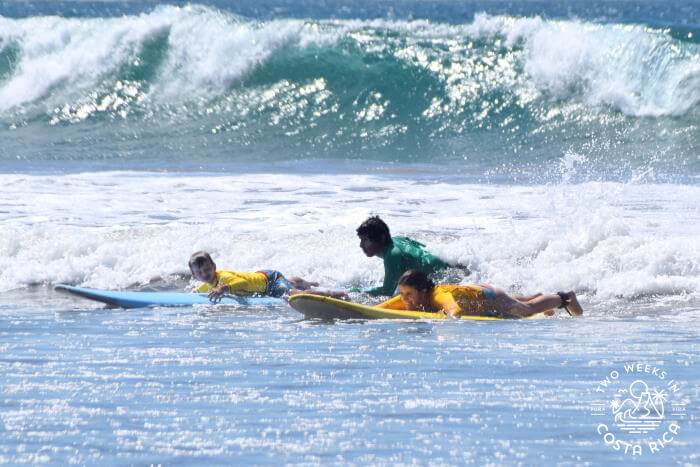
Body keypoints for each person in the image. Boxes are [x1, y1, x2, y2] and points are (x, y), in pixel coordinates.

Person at [377, 269, 583, 319]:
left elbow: (454, 311)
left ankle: (563, 297)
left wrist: (442, 321)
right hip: (478, 290)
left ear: (422, 292)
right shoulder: (411, 298)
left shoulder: (437, 296)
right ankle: (536, 295)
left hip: (489, 297)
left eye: (409, 294)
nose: (404, 299)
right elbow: (377, 309)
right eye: (402, 294)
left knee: (526, 311)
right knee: (522, 301)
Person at [353, 215, 466, 296]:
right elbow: (424, 248)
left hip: (443, 277)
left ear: (381, 238)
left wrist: (355, 292)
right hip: (446, 265)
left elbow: (386, 292)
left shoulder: (392, 255)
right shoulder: (398, 240)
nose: (361, 245)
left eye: (365, 240)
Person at [188, 251, 343, 301]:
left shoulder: (225, 278)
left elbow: (241, 282)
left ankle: (333, 293)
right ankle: (304, 282)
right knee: (288, 283)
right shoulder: (206, 283)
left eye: (207, 270)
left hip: (270, 281)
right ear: (195, 276)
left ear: (214, 267)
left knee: (293, 295)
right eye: (200, 273)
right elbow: (198, 292)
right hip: (265, 275)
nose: (205, 274)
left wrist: (223, 289)